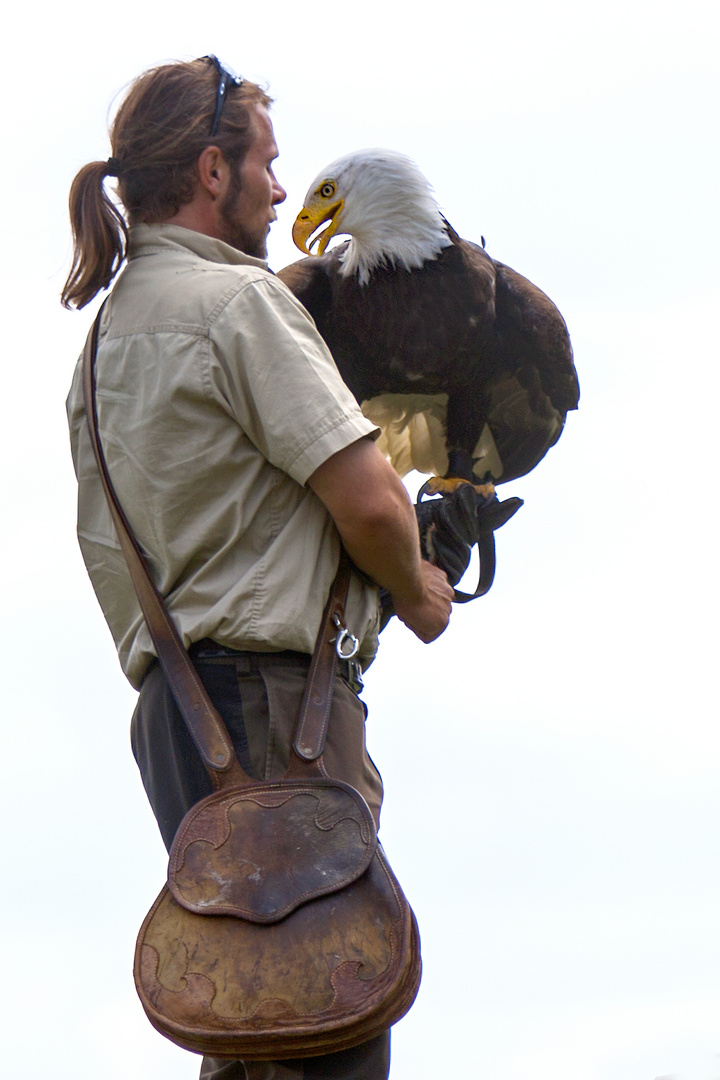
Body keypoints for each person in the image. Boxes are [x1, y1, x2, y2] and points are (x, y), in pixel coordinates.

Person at [64, 56, 454, 1080]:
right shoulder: (239, 305)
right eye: (268, 166)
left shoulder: (106, 343)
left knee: (252, 1033)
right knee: (327, 1028)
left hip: (179, 722)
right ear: (209, 170)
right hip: (279, 714)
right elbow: (370, 501)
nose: (282, 191)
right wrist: (415, 589)